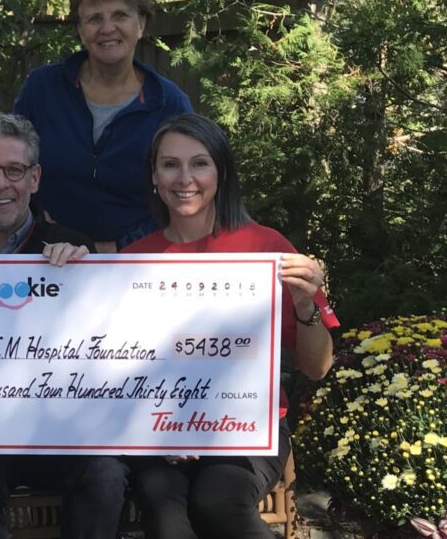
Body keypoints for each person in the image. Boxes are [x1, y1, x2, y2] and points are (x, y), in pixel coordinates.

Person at [122, 113, 336, 538]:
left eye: (199, 163)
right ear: (153, 175)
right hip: (160, 430)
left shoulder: (266, 249)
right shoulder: (133, 260)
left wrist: (302, 302)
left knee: (217, 500)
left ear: (221, 172)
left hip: (248, 427)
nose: (185, 178)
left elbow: (317, 368)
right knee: (165, 513)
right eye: (170, 164)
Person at [0, 112, 130, 538]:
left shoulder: (74, 246)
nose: (1, 183)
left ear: (34, 178)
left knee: (106, 473)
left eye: (14, 170)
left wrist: (82, 278)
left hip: (61, 431)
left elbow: (108, 350)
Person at [13, 0, 193, 252]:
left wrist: (114, 248)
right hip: (46, 257)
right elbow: (13, 167)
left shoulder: (168, 103)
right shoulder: (42, 88)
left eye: (120, 15)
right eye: (94, 18)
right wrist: (42, 229)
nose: (107, 28)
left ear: (141, 24)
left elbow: (184, 192)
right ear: (80, 30)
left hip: (138, 264)